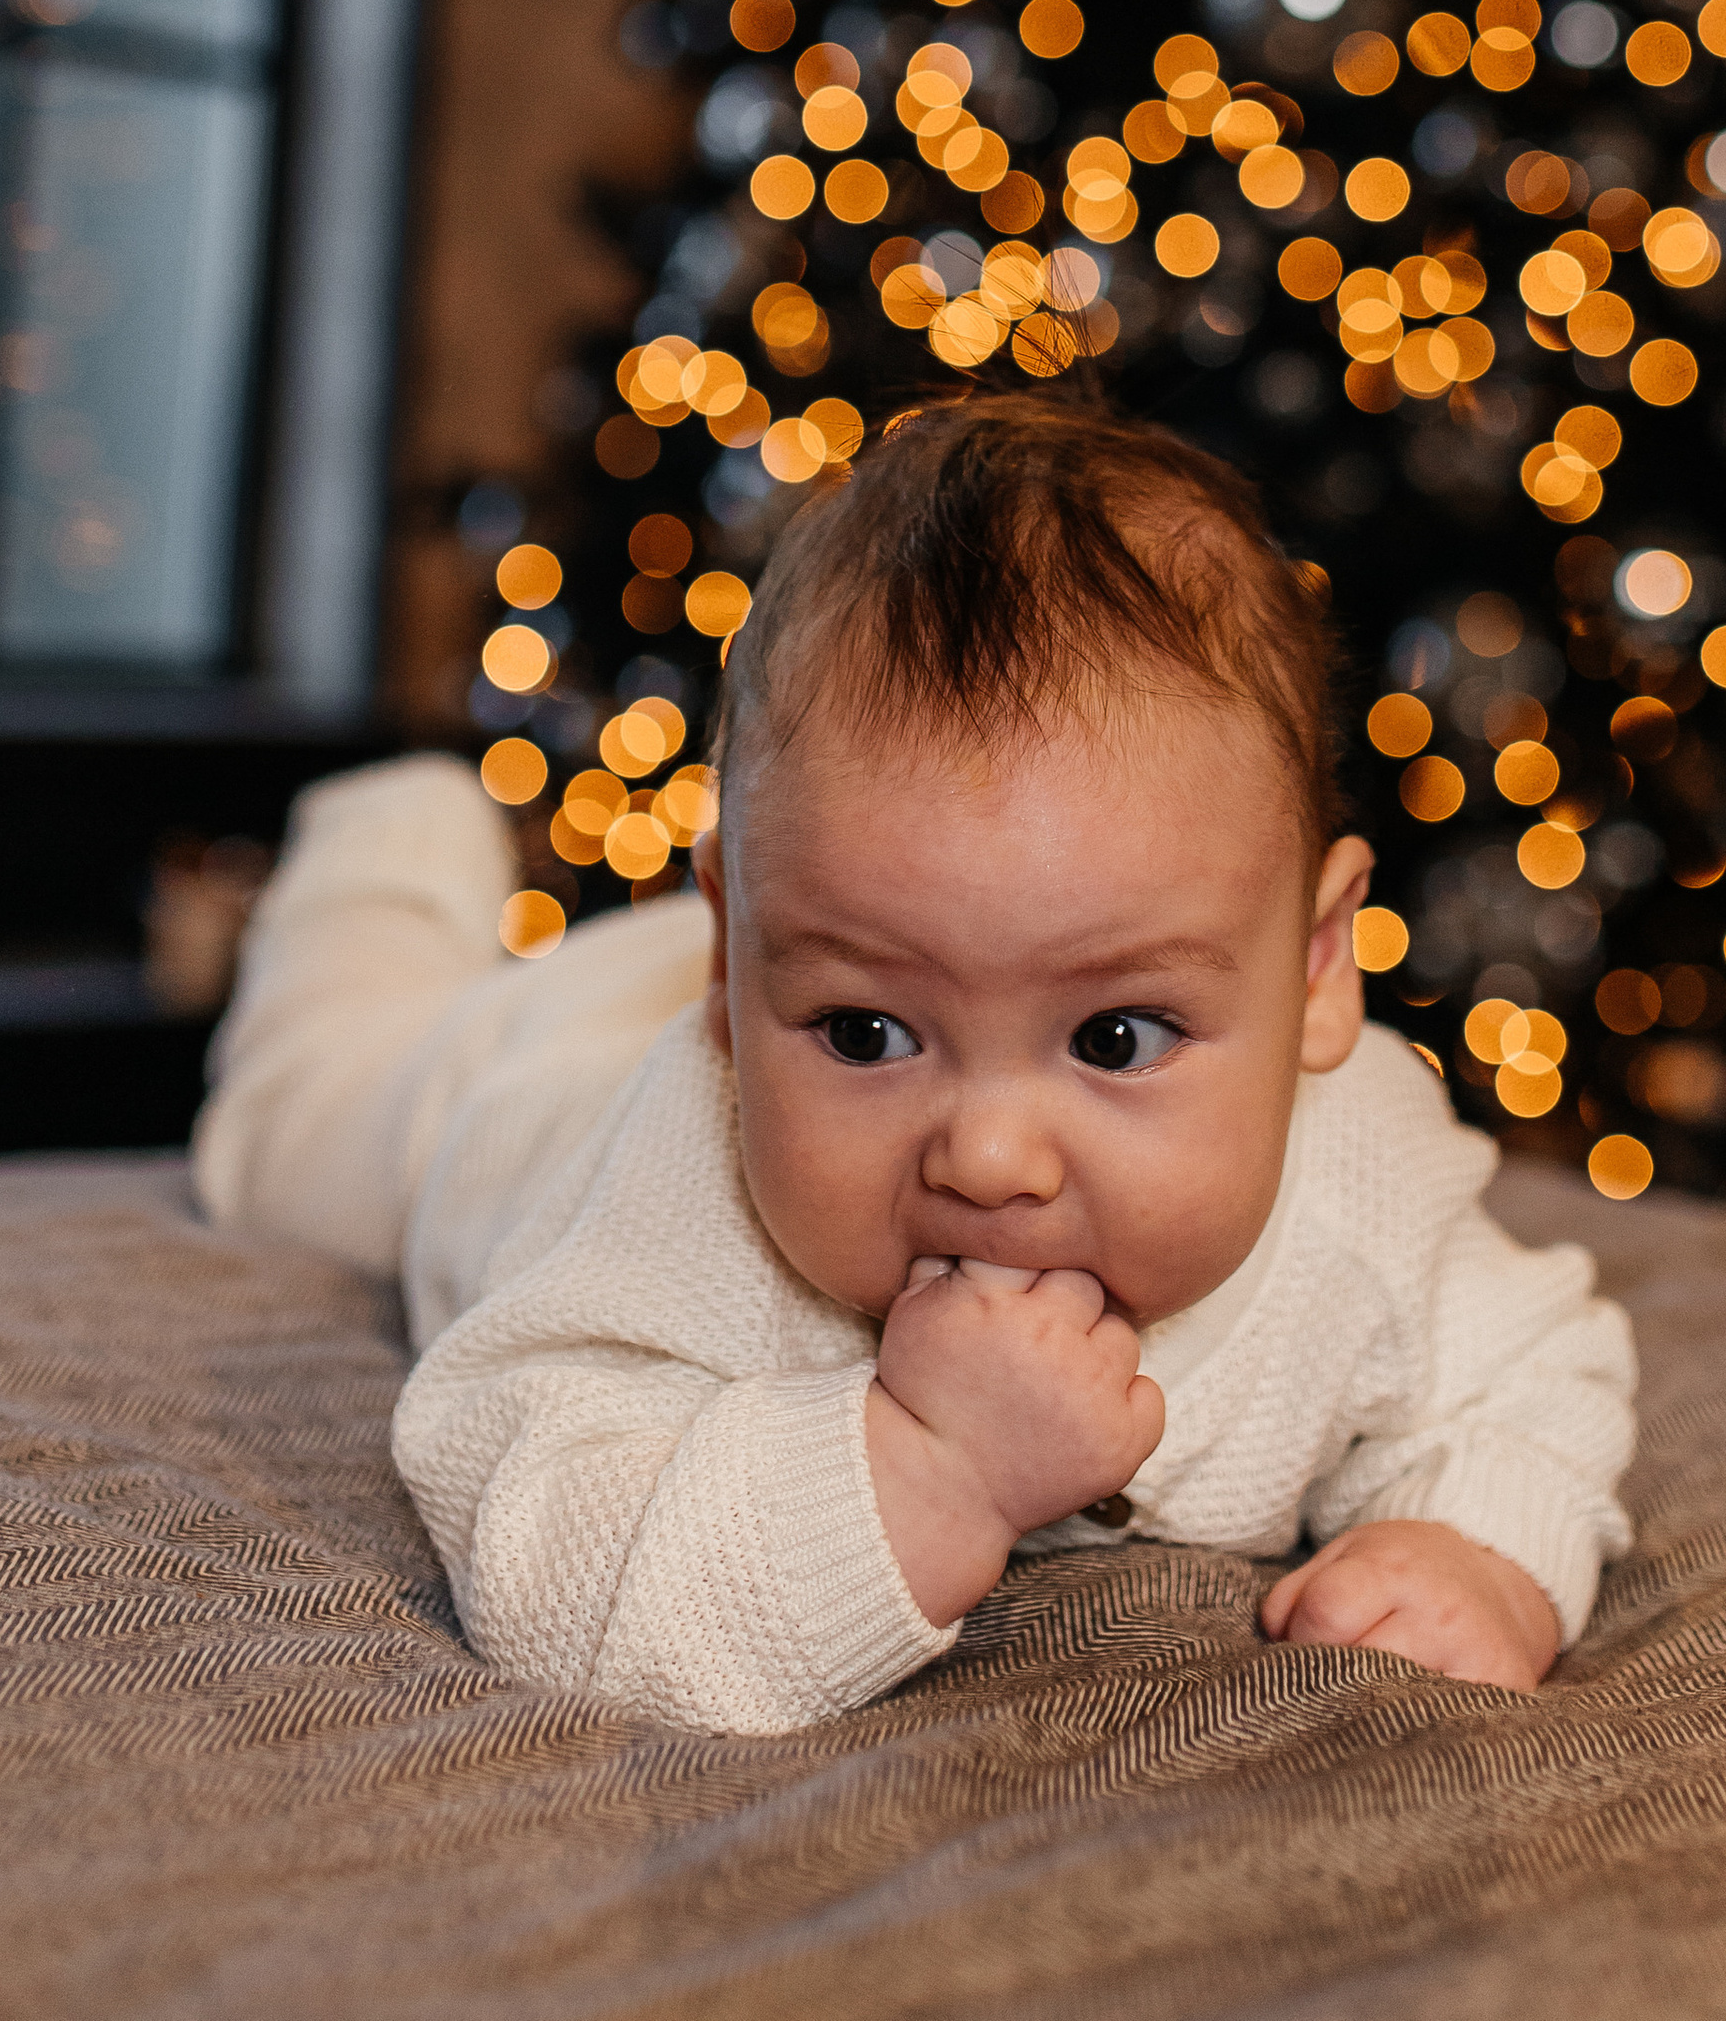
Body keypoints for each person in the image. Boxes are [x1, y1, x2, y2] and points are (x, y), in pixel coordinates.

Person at [194, 395, 1635, 1735]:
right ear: (735, 962)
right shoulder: (683, 1206)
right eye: (868, 1035)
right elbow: (559, 1574)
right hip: (514, 1082)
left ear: (1320, 970)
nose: (990, 1158)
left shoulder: (1359, 1175)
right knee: (293, 1125)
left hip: (739, 955)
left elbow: (1532, 1372)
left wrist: (1480, 1551)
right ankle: (389, 840)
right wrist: (924, 1467)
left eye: (1116, 1038)